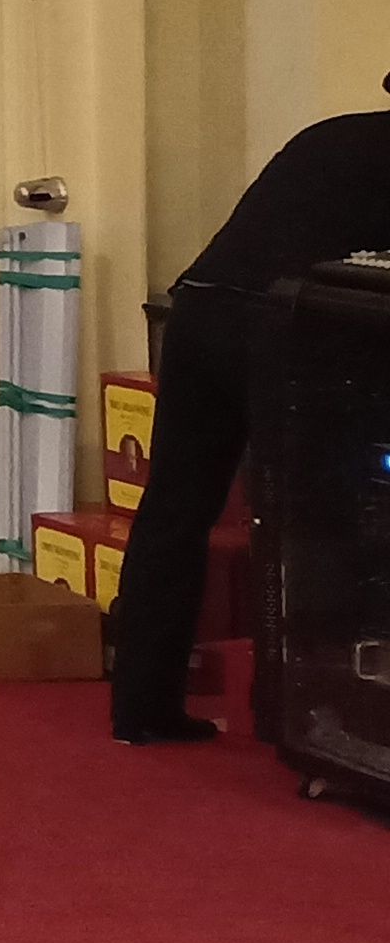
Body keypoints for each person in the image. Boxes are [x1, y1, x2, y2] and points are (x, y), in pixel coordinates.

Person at [105, 94, 390, 743]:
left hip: (199, 312)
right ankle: (304, 712)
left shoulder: (328, 135)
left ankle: (141, 707)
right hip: (277, 329)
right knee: (311, 522)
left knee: (175, 509)